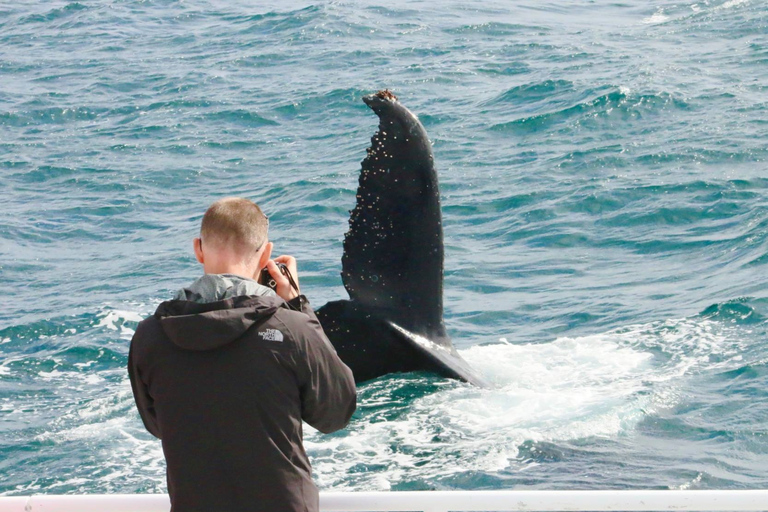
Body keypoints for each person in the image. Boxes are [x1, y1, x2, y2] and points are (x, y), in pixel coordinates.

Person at [128, 197, 356, 512]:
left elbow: (158, 425)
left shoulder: (150, 336)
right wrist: (299, 308)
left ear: (198, 248)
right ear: (265, 254)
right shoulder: (290, 327)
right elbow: (336, 412)